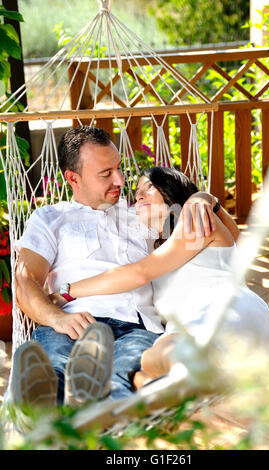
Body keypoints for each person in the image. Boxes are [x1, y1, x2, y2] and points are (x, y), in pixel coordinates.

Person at [13, 126, 227, 408]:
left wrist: (204, 198)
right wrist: (57, 319)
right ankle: (44, 414)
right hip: (71, 322)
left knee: (122, 381)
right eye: (105, 174)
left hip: (136, 326)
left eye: (118, 168)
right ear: (72, 178)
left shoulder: (141, 213)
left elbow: (223, 237)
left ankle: (102, 421)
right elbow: (26, 282)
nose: (119, 179)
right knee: (52, 371)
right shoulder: (50, 218)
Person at [51, 166, 269, 390]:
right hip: (186, 330)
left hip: (223, 312)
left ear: (172, 192)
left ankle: (175, 385)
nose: (139, 195)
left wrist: (67, 291)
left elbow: (138, 274)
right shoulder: (155, 245)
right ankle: (151, 388)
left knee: (169, 351)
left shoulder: (195, 222)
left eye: (149, 187)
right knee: (148, 362)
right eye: (137, 192)